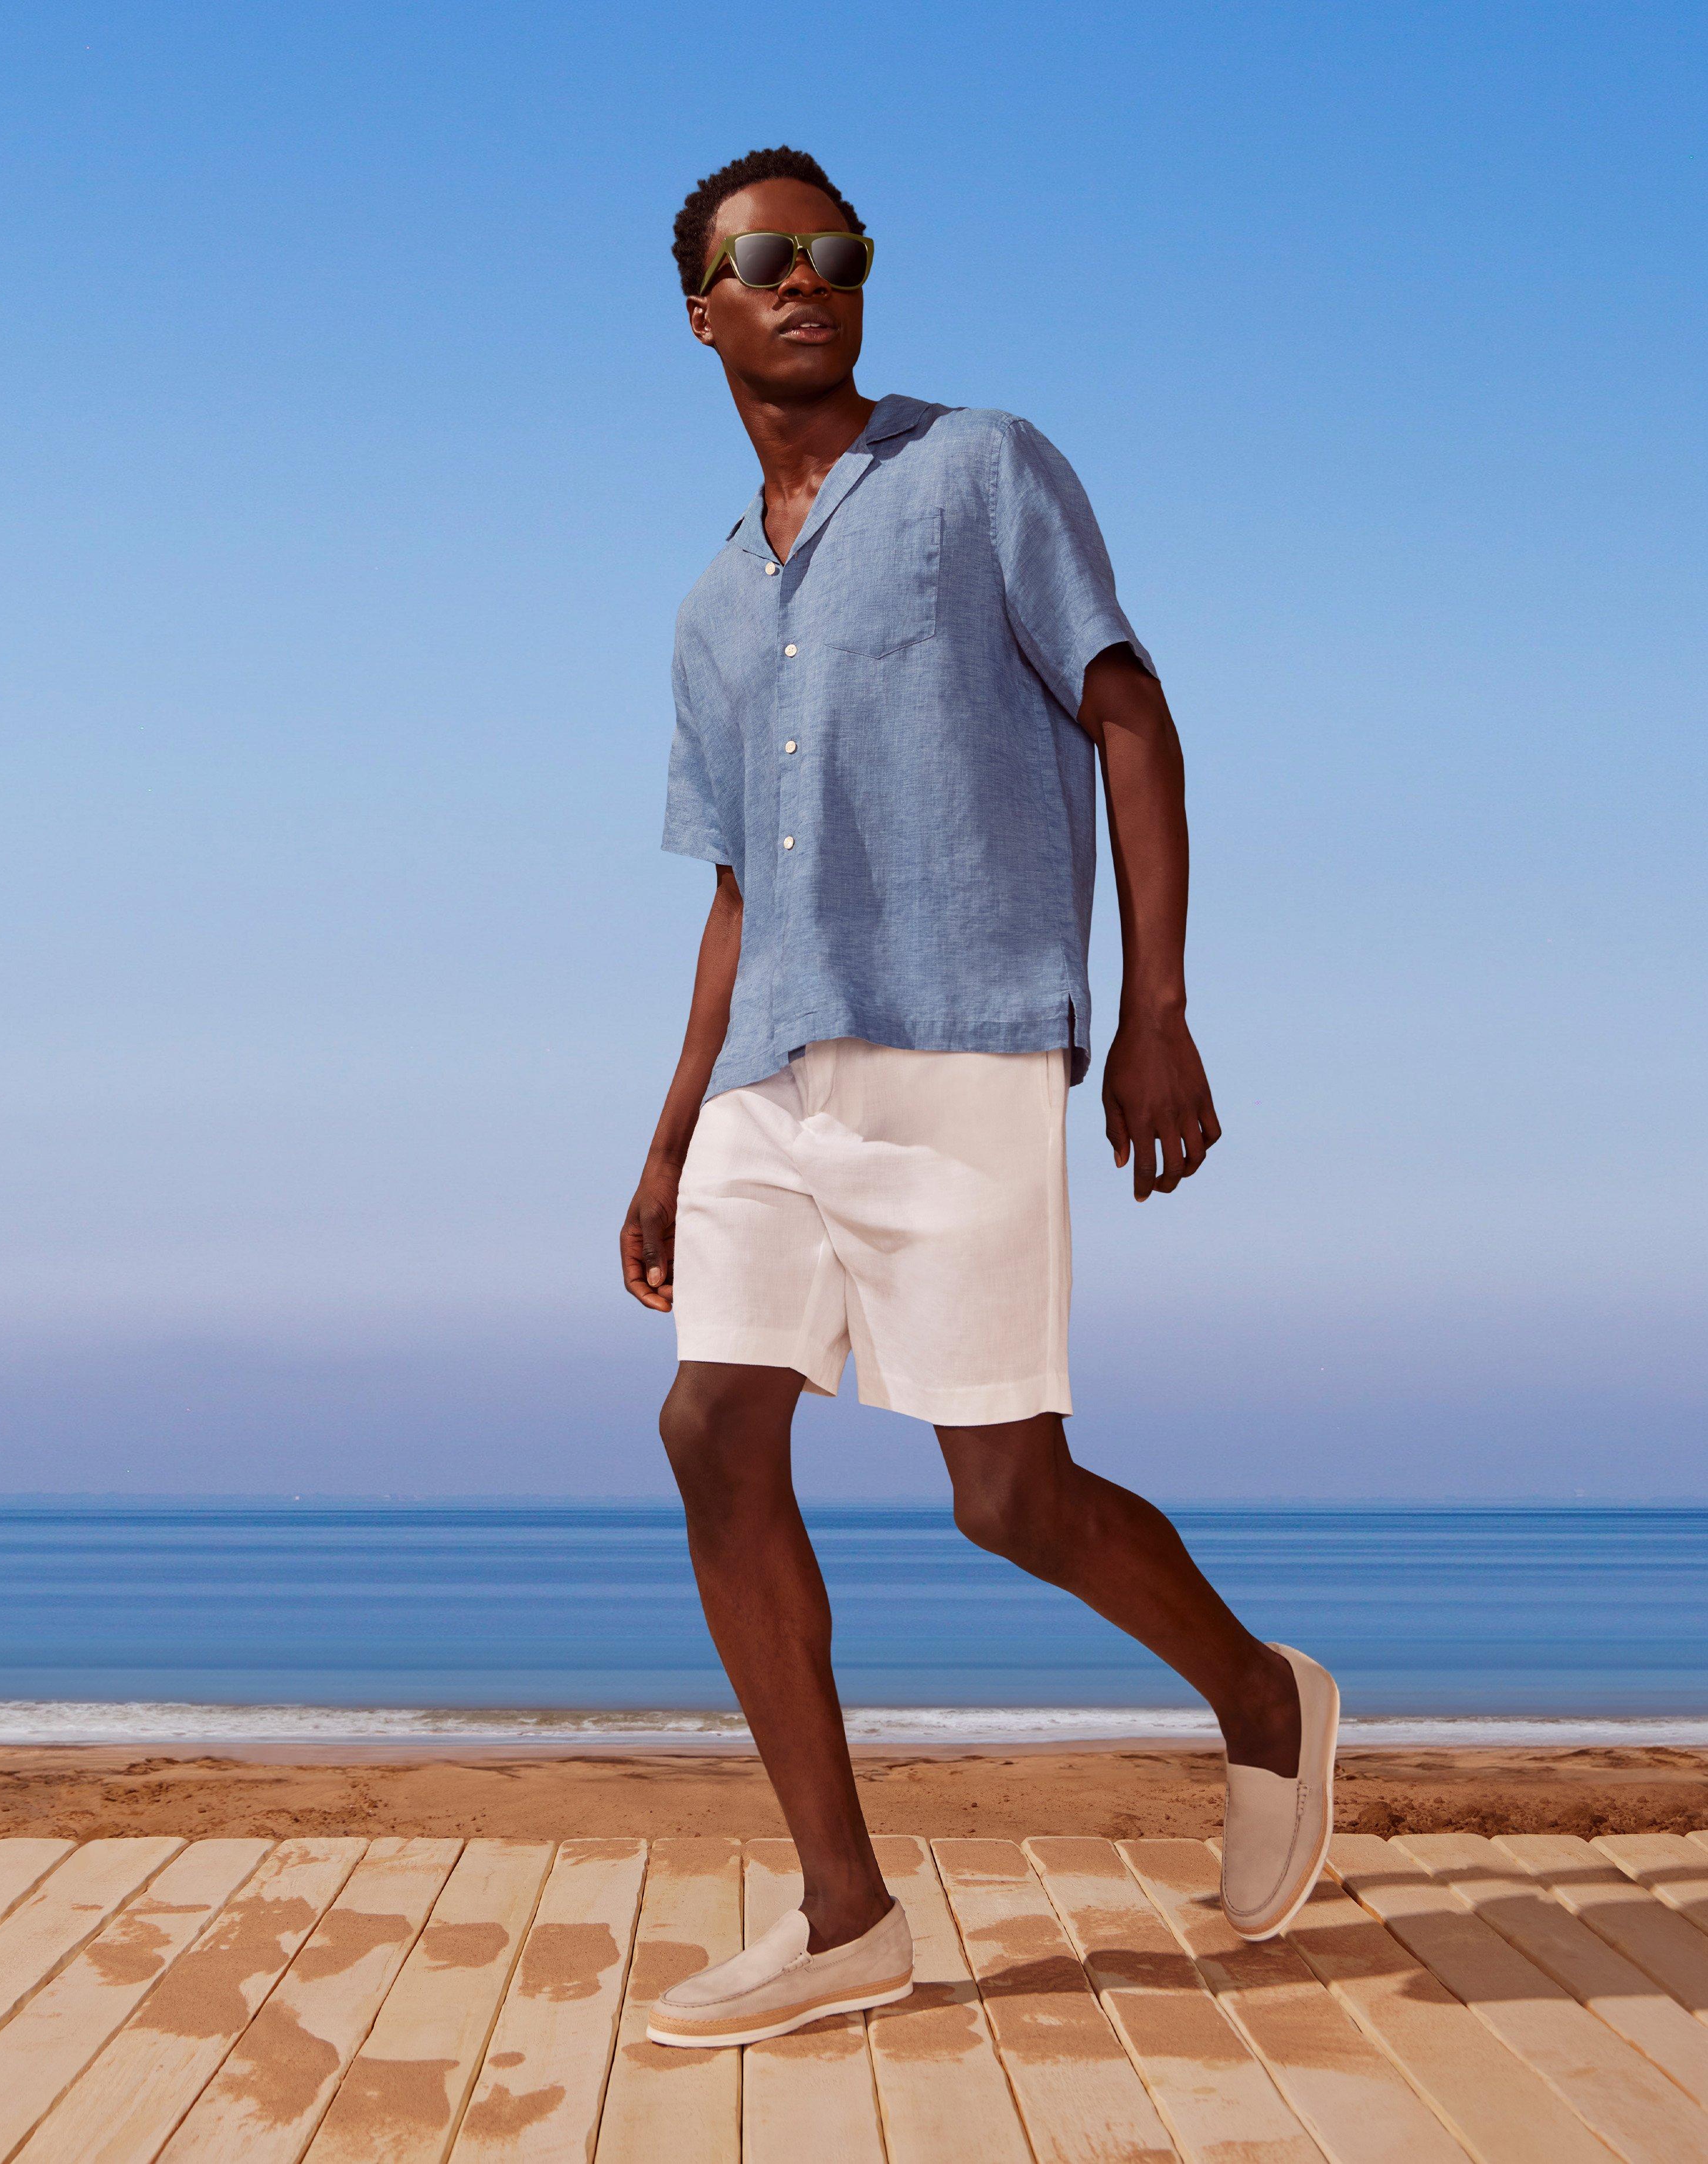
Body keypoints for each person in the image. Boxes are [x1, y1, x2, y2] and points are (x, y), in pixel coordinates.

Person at [620, 145, 1338, 2049]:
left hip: (966, 1037)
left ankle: (1261, 1698)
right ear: (699, 311)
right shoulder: (705, 609)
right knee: (709, 1428)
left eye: (835, 254)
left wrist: (1158, 1007)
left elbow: (1127, 708)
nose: (806, 281)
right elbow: (737, 892)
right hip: (775, 1068)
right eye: (762, 260)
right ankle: (845, 1911)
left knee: (1005, 1494)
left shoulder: (978, 469)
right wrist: (674, 1128)